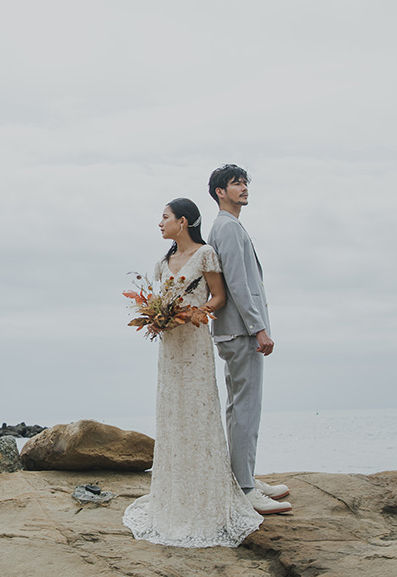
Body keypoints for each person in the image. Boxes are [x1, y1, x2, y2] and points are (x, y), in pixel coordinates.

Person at [122, 197, 263, 548]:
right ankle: (173, 497)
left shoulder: (206, 255)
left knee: (199, 413)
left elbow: (220, 297)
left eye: (165, 217)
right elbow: (156, 299)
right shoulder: (161, 263)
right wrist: (159, 316)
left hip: (196, 344)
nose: (160, 223)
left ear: (182, 222)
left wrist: (198, 311)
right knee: (172, 414)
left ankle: (207, 500)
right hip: (170, 347)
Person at [207, 164, 292, 515]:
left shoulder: (230, 226)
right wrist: (259, 328)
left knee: (238, 407)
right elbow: (238, 283)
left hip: (235, 329)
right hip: (241, 330)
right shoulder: (226, 227)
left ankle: (243, 476)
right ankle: (244, 488)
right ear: (219, 192)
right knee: (246, 409)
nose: (243, 187)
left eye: (244, 182)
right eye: (235, 183)